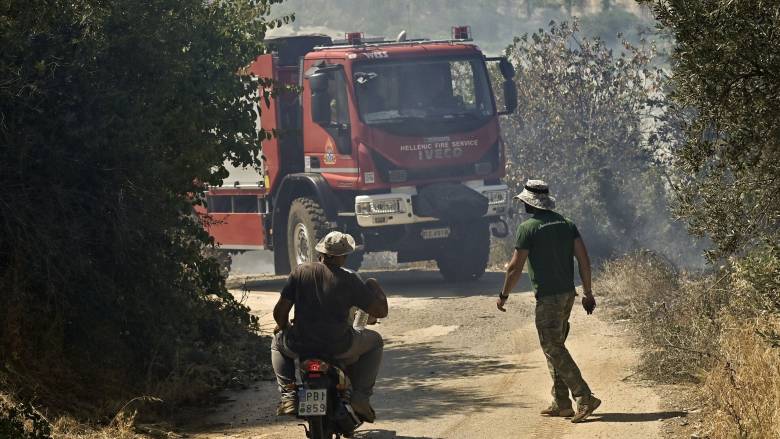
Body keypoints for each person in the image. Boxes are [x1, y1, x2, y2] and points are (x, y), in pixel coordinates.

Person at [497, 179, 601, 423]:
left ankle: (584, 397)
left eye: (524, 201)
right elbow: (584, 260)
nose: (523, 205)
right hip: (567, 295)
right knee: (554, 347)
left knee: (553, 347)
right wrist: (587, 292)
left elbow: (514, 268)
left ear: (529, 203)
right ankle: (561, 402)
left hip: (548, 298)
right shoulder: (567, 224)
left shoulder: (528, 228)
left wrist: (503, 295)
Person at [271, 231, 388, 422]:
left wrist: (284, 328)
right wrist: (374, 287)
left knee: (277, 343)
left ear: (321, 253)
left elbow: (280, 312)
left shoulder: (300, 272)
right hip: (339, 346)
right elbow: (380, 312)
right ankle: (361, 398)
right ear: (342, 257)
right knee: (376, 342)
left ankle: (289, 395)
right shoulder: (350, 280)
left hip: (300, 344)